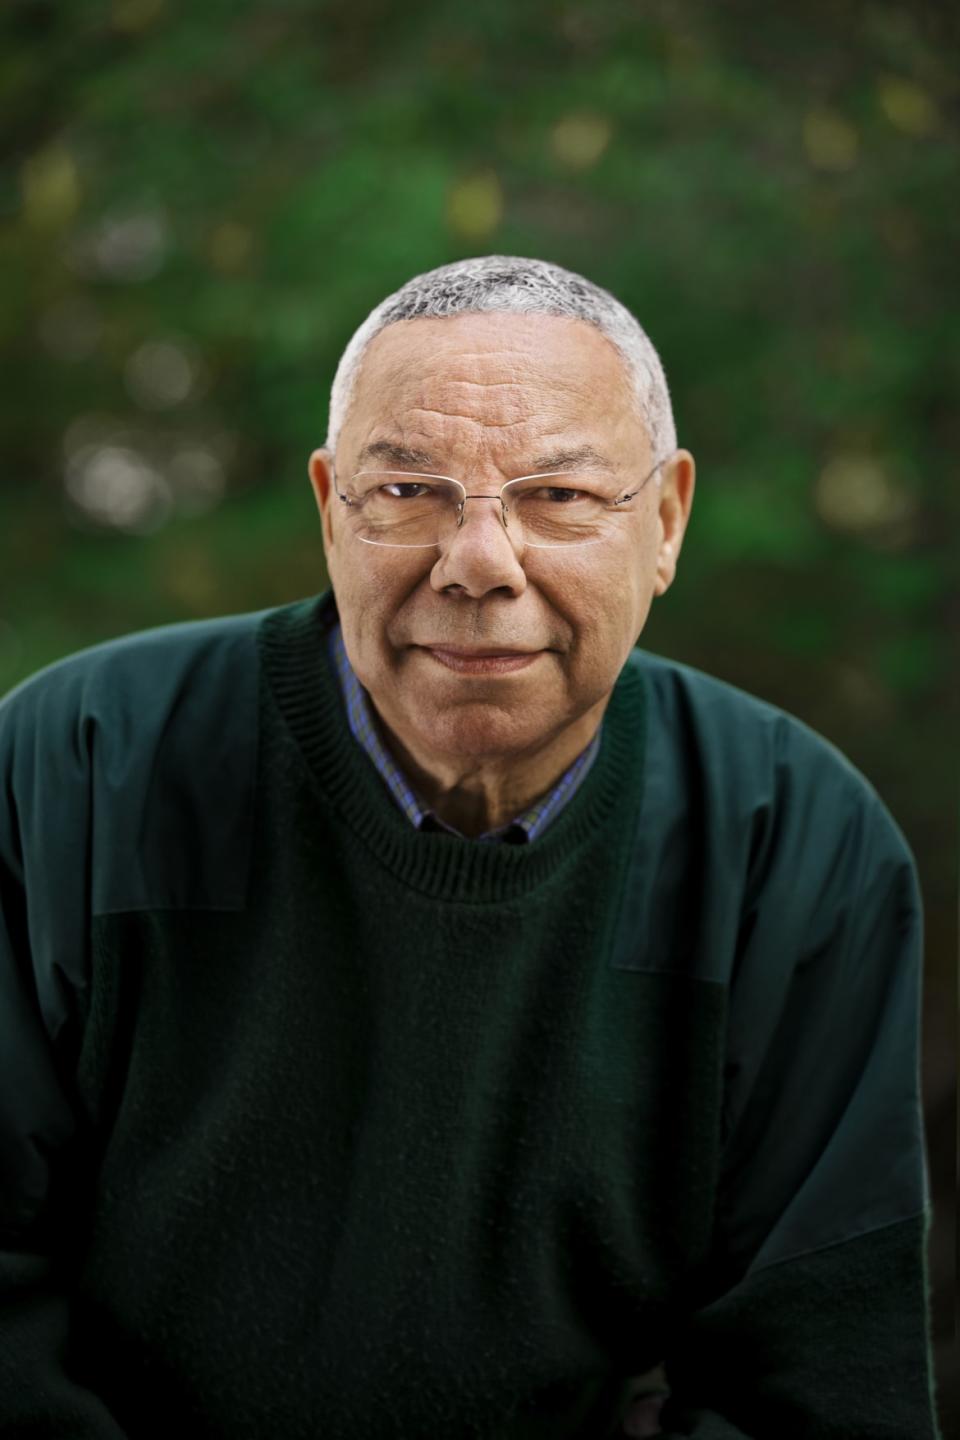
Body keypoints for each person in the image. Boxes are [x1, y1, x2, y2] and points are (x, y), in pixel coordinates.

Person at [0, 256, 942, 1439]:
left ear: (665, 522)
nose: (481, 561)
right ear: (329, 508)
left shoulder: (793, 846)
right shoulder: (78, 769)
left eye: (558, 495)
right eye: (408, 494)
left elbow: (819, 1384)